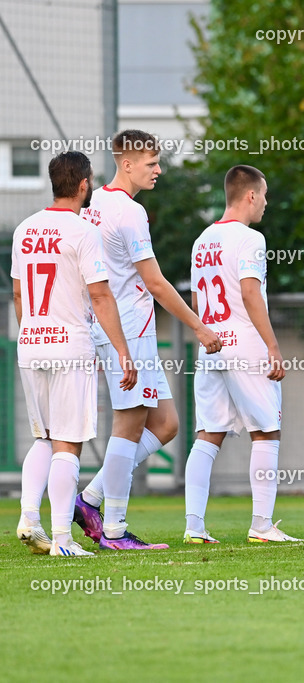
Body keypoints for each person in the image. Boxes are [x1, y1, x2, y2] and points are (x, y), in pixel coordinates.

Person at [73, 129, 220, 551]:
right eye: (152, 163)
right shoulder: (129, 212)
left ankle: (89, 500)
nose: (158, 170)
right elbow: (154, 282)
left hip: (109, 324)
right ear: (127, 164)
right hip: (128, 329)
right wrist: (198, 326)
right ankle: (114, 531)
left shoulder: (94, 203)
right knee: (130, 423)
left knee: (167, 424)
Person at [13, 151, 137, 557]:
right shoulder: (83, 231)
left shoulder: (25, 229)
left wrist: (32, 331)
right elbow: (100, 295)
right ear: (84, 185)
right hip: (70, 345)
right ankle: (63, 540)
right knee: (69, 443)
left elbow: (18, 294)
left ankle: (30, 516)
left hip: (30, 342)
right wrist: (122, 350)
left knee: (43, 437)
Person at [183, 165, 301, 544]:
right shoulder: (250, 238)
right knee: (267, 431)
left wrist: (206, 335)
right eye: (263, 195)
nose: (266, 203)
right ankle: (262, 526)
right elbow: (250, 293)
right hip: (245, 344)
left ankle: (194, 526)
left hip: (212, 343)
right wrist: (272, 345)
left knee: (207, 434)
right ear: (250, 195)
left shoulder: (202, 239)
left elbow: (198, 299)